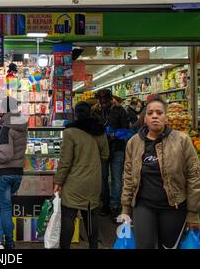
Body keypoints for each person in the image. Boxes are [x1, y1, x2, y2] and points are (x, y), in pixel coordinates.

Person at [120, 98, 200, 249]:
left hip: (173, 207)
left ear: (166, 118)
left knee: (169, 246)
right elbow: (128, 176)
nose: (154, 116)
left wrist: (193, 213)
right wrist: (125, 209)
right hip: (143, 205)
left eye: (159, 112)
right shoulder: (134, 142)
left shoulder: (182, 140)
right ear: (144, 118)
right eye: (150, 113)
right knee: (144, 245)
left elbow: (194, 176)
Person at [54, 102, 110, 249]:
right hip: (93, 181)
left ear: (75, 113)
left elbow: (65, 161)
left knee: (68, 218)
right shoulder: (99, 131)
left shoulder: (70, 132)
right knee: (91, 217)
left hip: (74, 182)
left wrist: (58, 182)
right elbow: (105, 155)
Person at [0, 97, 28, 250]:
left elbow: (5, 155)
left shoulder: (5, 130)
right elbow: (9, 129)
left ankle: (9, 243)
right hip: (17, 172)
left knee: (4, 208)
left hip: (3, 174)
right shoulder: (21, 125)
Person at [92, 89, 130, 220]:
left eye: (105, 100)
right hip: (101, 149)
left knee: (116, 178)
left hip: (117, 148)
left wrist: (115, 134)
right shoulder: (95, 111)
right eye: (100, 100)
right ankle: (105, 204)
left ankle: (115, 206)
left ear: (110, 99)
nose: (102, 102)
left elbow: (127, 130)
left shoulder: (120, 111)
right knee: (102, 178)